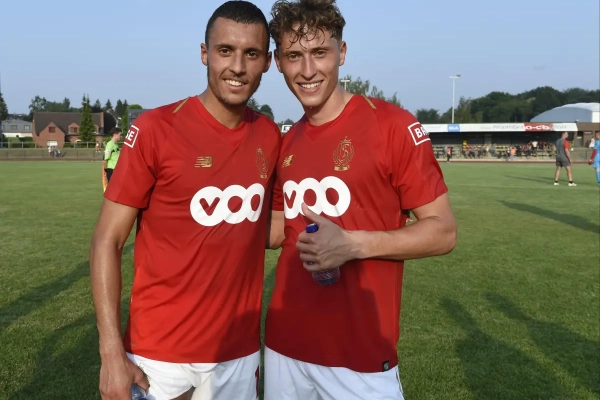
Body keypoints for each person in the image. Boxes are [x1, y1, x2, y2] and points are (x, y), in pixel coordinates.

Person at [264, 0, 457, 399]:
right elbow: (279, 229)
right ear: (278, 62)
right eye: (294, 56)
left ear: (342, 52)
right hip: (284, 347)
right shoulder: (286, 141)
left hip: (361, 356)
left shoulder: (392, 126)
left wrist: (352, 244)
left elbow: (443, 232)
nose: (307, 70)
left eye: (320, 52)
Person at [89, 2, 280, 400]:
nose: (238, 66)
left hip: (238, 354)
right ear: (204, 53)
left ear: (267, 62)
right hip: (158, 356)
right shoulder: (157, 129)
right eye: (225, 50)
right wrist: (110, 351)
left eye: (251, 53)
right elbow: (107, 240)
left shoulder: (269, 135)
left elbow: (270, 227)